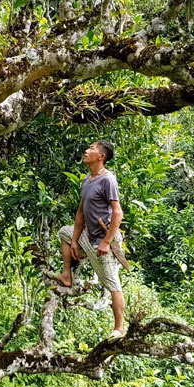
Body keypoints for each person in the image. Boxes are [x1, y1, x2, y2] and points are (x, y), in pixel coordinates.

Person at [57, 140, 125, 339]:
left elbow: (117, 213)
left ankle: (119, 329)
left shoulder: (108, 180)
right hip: (88, 236)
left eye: (92, 149)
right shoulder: (87, 180)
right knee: (64, 232)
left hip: (104, 241)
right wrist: (75, 241)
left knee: (112, 284)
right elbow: (80, 213)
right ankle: (67, 275)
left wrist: (106, 242)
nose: (86, 151)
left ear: (101, 157)